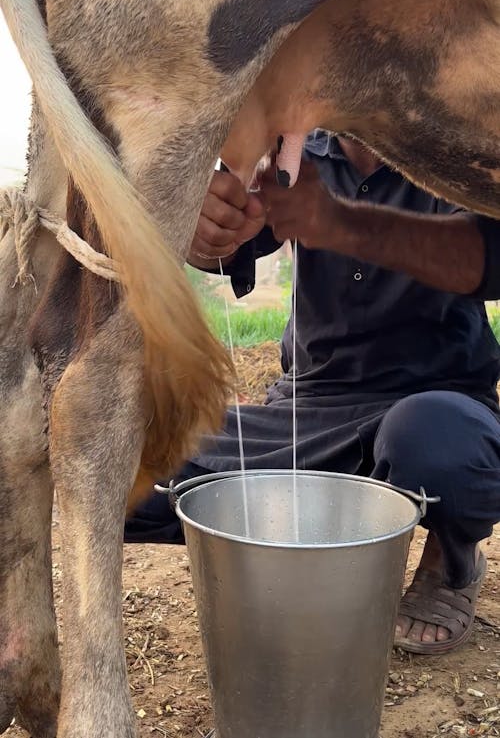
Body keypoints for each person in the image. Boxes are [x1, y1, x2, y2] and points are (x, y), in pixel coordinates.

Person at [125, 130, 500, 656]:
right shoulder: (292, 150)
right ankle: (298, 551)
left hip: (434, 404)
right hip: (304, 415)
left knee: (440, 450)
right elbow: (232, 244)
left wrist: (342, 224)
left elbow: (490, 259)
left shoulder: (450, 138)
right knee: (127, 458)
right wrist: (209, 230)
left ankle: (450, 556)